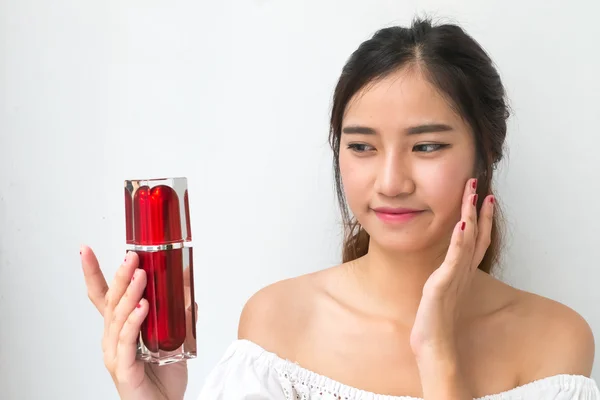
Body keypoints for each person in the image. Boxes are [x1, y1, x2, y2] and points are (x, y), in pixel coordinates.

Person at [80, 16, 599, 400]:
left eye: (426, 146)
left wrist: (438, 353)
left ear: (486, 155)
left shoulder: (555, 341)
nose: (391, 182)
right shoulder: (279, 325)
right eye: (362, 147)